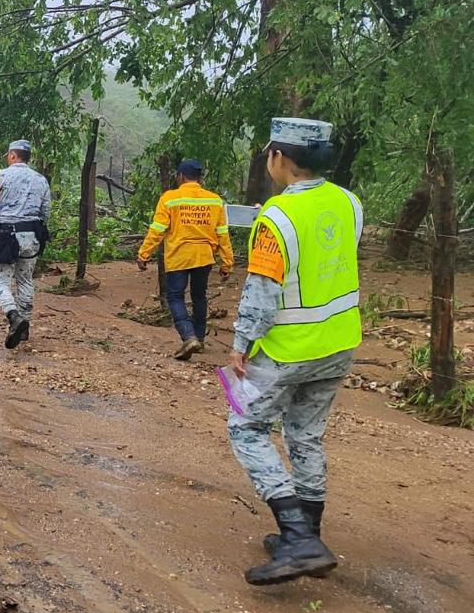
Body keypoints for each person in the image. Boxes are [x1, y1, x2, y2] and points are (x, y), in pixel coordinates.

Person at [226, 117, 363, 586]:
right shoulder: (349, 202)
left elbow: (262, 292)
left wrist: (240, 344)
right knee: (305, 434)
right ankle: (311, 537)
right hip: (339, 342)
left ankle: (298, 536)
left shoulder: (275, 218)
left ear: (280, 157)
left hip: (287, 348)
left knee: (244, 426)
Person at [136, 159, 234, 359]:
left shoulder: (170, 198)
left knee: (175, 297)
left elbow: (158, 230)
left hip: (178, 257)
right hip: (204, 256)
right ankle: (199, 338)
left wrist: (144, 253)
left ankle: (189, 337)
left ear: (180, 176)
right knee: (199, 297)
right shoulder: (215, 200)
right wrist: (227, 263)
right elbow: (222, 234)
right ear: (200, 178)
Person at [0, 139, 51, 348]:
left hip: (5, 236)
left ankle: (14, 316)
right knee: (25, 279)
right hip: (32, 236)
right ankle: (25, 327)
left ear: (12, 155)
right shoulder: (41, 180)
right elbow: (45, 212)